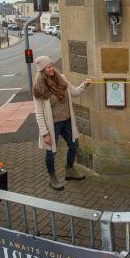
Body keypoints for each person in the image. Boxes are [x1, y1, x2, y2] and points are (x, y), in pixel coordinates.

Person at [32, 55, 91, 189]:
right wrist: (44, 133)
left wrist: (84, 85)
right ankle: (52, 178)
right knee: (51, 152)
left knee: (74, 145)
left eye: (52, 65)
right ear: (42, 70)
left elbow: (74, 92)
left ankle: (69, 170)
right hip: (52, 125)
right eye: (49, 67)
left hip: (66, 121)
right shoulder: (39, 88)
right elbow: (39, 113)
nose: (52, 68)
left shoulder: (61, 79)